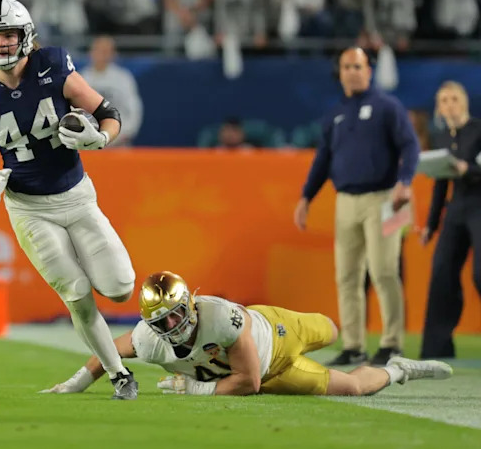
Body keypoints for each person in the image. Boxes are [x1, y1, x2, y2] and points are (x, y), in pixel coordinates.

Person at [0, 0, 138, 400]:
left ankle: (115, 356)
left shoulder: (53, 65)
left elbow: (111, 114)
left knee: (122, 287)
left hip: (76, 196)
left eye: (8, 35)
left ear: (26, 36)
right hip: (29, 207)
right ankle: (118, 373)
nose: (2, 44)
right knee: (76, 293)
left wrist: (99, 137)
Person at [40, 271, 452, 396]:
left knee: (330, 329)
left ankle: (375, 355)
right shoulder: (151, 341)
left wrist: (194, 390)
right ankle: (397, 370)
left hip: (276, 333)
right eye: (160, 321)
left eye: (175, 315)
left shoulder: (219, 319)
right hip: (268, 373)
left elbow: (248, 380)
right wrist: (78, 383)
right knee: (354, 388)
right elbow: (110, 351)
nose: (171, 327)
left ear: (190, 304)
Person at [294, 47, 420, 366]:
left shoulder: (387, 107)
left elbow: (411, 145)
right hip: (346, 201)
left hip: (385, 198)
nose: (353, 71)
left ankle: (392, 343)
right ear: (340, 72)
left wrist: (405, 182)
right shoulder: (336, 114)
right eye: (347, 66)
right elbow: (323, 160)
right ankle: (354, 344)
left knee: (384, 271)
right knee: (347, 276)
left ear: (370, 70)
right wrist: (306, 197)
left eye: (358, 66)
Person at [420, 81, 481, 358]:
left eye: (454, 98)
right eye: (443, 100)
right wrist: (431, 225)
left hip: (479, 207)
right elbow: (441, 184)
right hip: (455, 211)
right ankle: (437, 348)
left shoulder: (478, 130)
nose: (449, 104)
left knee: (480, 275)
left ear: (464, 102)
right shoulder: (442, 137)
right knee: (441, 273)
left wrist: (466, 168)